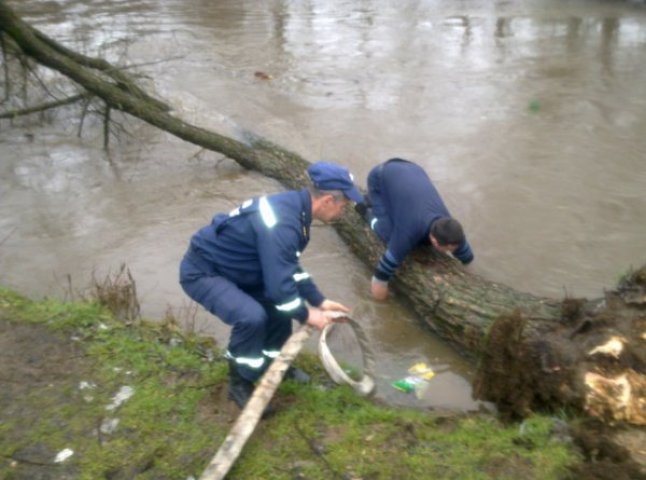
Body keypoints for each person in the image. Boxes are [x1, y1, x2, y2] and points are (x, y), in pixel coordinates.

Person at [179, 161, 363, 411]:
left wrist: (318, 300)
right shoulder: (285, 224)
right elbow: (280, 290)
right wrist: (308, 314)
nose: (344, 211)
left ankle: (272, 364)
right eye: (344, 205)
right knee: (252, 317)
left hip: (240, 269)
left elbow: (287, 268)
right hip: (204, 271)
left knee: (277, 310)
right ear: (328, 200)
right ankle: (240, 383)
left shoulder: (295, 209)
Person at [362, 158, 474, 301]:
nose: (451, 252)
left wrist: (467, 274)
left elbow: (468, 258)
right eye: (448, 250)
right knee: (387, 233)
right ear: (433, 239)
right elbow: (379, 278)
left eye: (453, 249)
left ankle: (386, 201)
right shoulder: (406, 234)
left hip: (411, 169)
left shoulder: (451, 229)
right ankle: (366, 210)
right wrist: (382, 309)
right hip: (381, 175)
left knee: (401, 215)